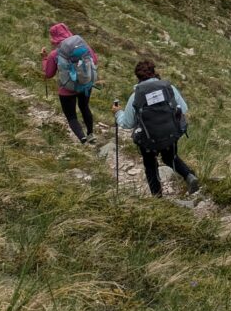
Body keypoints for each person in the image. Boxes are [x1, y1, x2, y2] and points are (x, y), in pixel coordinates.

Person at [113, 59, 200, 196]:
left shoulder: (136, 95)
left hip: (148, 140)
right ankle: (189, 176)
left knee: (150, 166)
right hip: (170, 133)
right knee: (170, 157)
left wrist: (118, 112)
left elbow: (127, 123)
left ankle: (157, 197)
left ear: (138, 77)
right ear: (154, 72)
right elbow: (183, 108)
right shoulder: (168, 88)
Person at [42, 22, 98, 144]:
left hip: (66, 89)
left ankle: (81, 137)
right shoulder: (84, 47)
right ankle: (90, 133)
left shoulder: (54, 54)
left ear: (54, 38)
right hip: (85, 85)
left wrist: (45, 59)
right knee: (85, 107)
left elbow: (48, 74)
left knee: (71, 116)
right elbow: (95, 60)